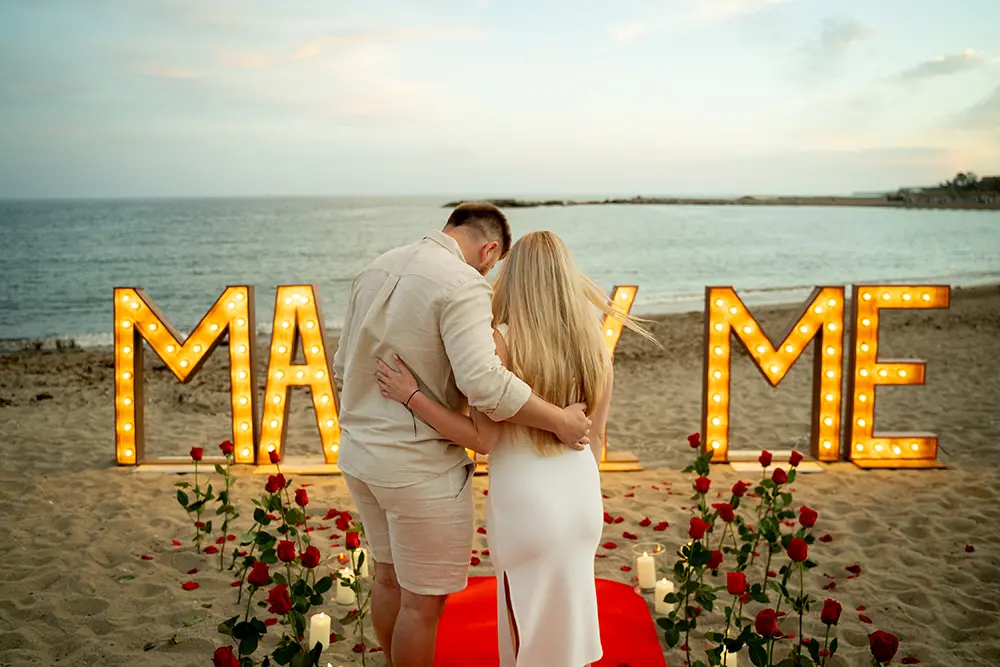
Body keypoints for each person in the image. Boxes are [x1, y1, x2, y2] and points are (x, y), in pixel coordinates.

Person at [375, 230, 653, 667]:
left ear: (514, 277)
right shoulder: (595, 344)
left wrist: (413, 397)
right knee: (566, 634)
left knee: (525, 629)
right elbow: (594, 438)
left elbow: (480, 440)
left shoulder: (499, 344)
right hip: (582, 500)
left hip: (527, 503)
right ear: (565, 275)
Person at [332, 203, 593, 667]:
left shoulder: (375, 268)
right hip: (418, 469)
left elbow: (341, 367)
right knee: (422, 602)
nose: (490, 275)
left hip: (359, 456)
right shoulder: (462, 283)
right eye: (492, 265)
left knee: (388, 579)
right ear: (489, 249)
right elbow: (486, 384)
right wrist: (557, 419)